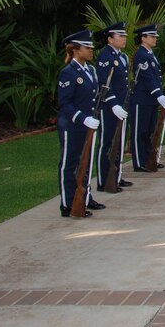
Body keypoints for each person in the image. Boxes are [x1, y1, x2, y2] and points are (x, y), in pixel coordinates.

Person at [56, 30, 106, 217]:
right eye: (87, 47)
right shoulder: (68, 72)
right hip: (72, 124)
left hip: (88, 124)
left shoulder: (90, 70)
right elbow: (65, 103)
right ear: (76, 50)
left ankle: (84, 196)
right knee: (69, 164)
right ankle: (68, 203)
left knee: (86, 161)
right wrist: (83, 118)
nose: (91, 50)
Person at [95, 22, 131, 192]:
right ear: (110, 39)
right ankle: (103, 180)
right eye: (120, 36)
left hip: (120, 106)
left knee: (119, 141)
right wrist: (114, 104)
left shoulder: (121, 56)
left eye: (124, 36)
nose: (124, 38)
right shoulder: (105, 56)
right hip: (109, 107)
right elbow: (104, 84)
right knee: (107, 143)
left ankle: (115, 174)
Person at [130, 24, 165, 172]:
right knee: (140, 132)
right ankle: (139, 162)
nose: (155, 39)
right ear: (143, 38)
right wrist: (159, 95)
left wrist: (159, 95)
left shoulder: (149, 53)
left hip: (151, 99)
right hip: (142, 99)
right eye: (152, 37)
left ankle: (148, 159)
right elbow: (147, 78)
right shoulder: (141, 54)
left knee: (149, 131)